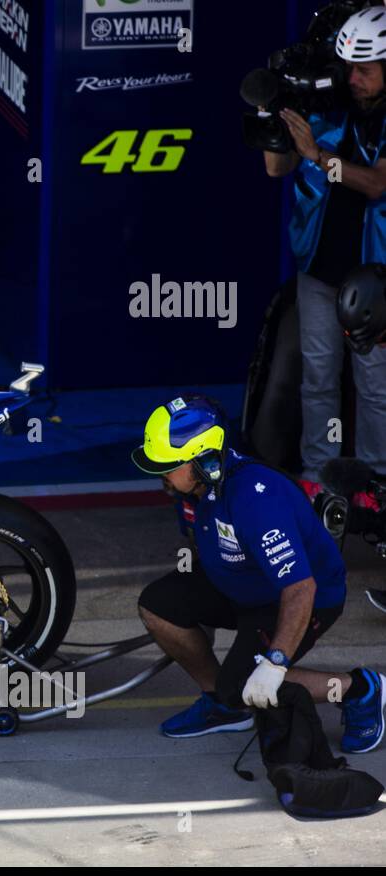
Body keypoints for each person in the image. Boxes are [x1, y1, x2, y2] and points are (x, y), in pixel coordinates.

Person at [132, 395, 386, 753]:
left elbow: (300, 587)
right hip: (244, 584)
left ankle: (359, 689)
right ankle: (224, 705)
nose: (161, 475)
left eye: (169, 466)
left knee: (244, 682)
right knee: (159, 604)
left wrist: (275, 663)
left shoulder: (256, 499)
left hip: (300, 598)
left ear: (204, 461)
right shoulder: (194, 486)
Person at [265, 6, 386, 504]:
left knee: (375, 385)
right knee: (318, 379)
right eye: (349, 68)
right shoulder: (325, 99)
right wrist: (274, 115)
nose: (353, 79)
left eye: (366, 70)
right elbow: (276, 169)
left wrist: (318, 155)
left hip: (375, 279)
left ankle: (375, 485)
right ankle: (320, 478)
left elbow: (376, 184)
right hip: (318, 269)